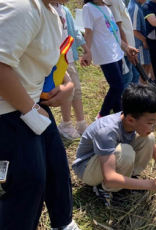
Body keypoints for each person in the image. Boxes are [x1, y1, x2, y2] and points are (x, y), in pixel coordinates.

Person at [0, 0, 79, 229]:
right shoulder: (22, 7)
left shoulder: (50, 10)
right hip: (9, 113)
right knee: (26, 184)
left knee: (56, 170)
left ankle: (64, 223)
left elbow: (49, 59)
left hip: (30, 106)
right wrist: (31, 112)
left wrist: (67, 86)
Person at [72, 84, 156, 206]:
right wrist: (151, 184)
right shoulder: (107, 131)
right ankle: (105, 189)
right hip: (88, 169)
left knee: (148, 139)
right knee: (125, 153)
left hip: (105, 162)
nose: (154, 127)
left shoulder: (130, 121)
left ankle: (128, 179)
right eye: (150, 123)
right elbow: (109, 176)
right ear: (131, 119)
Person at [81, 0, 138, 118]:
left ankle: (118, 116)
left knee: (118, 87)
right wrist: (87, 52)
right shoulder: (88, 8)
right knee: (117, 86)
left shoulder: (106, 7)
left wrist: (126, 47)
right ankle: (102, 115)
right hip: (105, 53)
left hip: (116, 51)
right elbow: (88, 32)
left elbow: (114, 32)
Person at [52, 2, 90, 140]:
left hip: (68, 58)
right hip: (55, 60)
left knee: (77, 90)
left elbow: (74, 32)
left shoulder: (65, 10)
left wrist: (86, 49)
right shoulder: (46, 9)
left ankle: (81, 123)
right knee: (67, 91)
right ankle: (66, 124)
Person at [107, 0, 140, 90]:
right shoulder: (114, 1)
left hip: (128, 47)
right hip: (123, 50)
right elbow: (118, 27)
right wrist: (127, 49)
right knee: (126, 81)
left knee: (134, 76)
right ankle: (123, 103)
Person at [128, 0, 155, 83]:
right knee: (143, 70)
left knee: (147, 66)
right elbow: (134, 30)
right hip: (139, 44)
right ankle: (142, 90)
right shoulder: (135, 8)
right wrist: (144, 40)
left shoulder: (138, 5)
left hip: (142, 43)